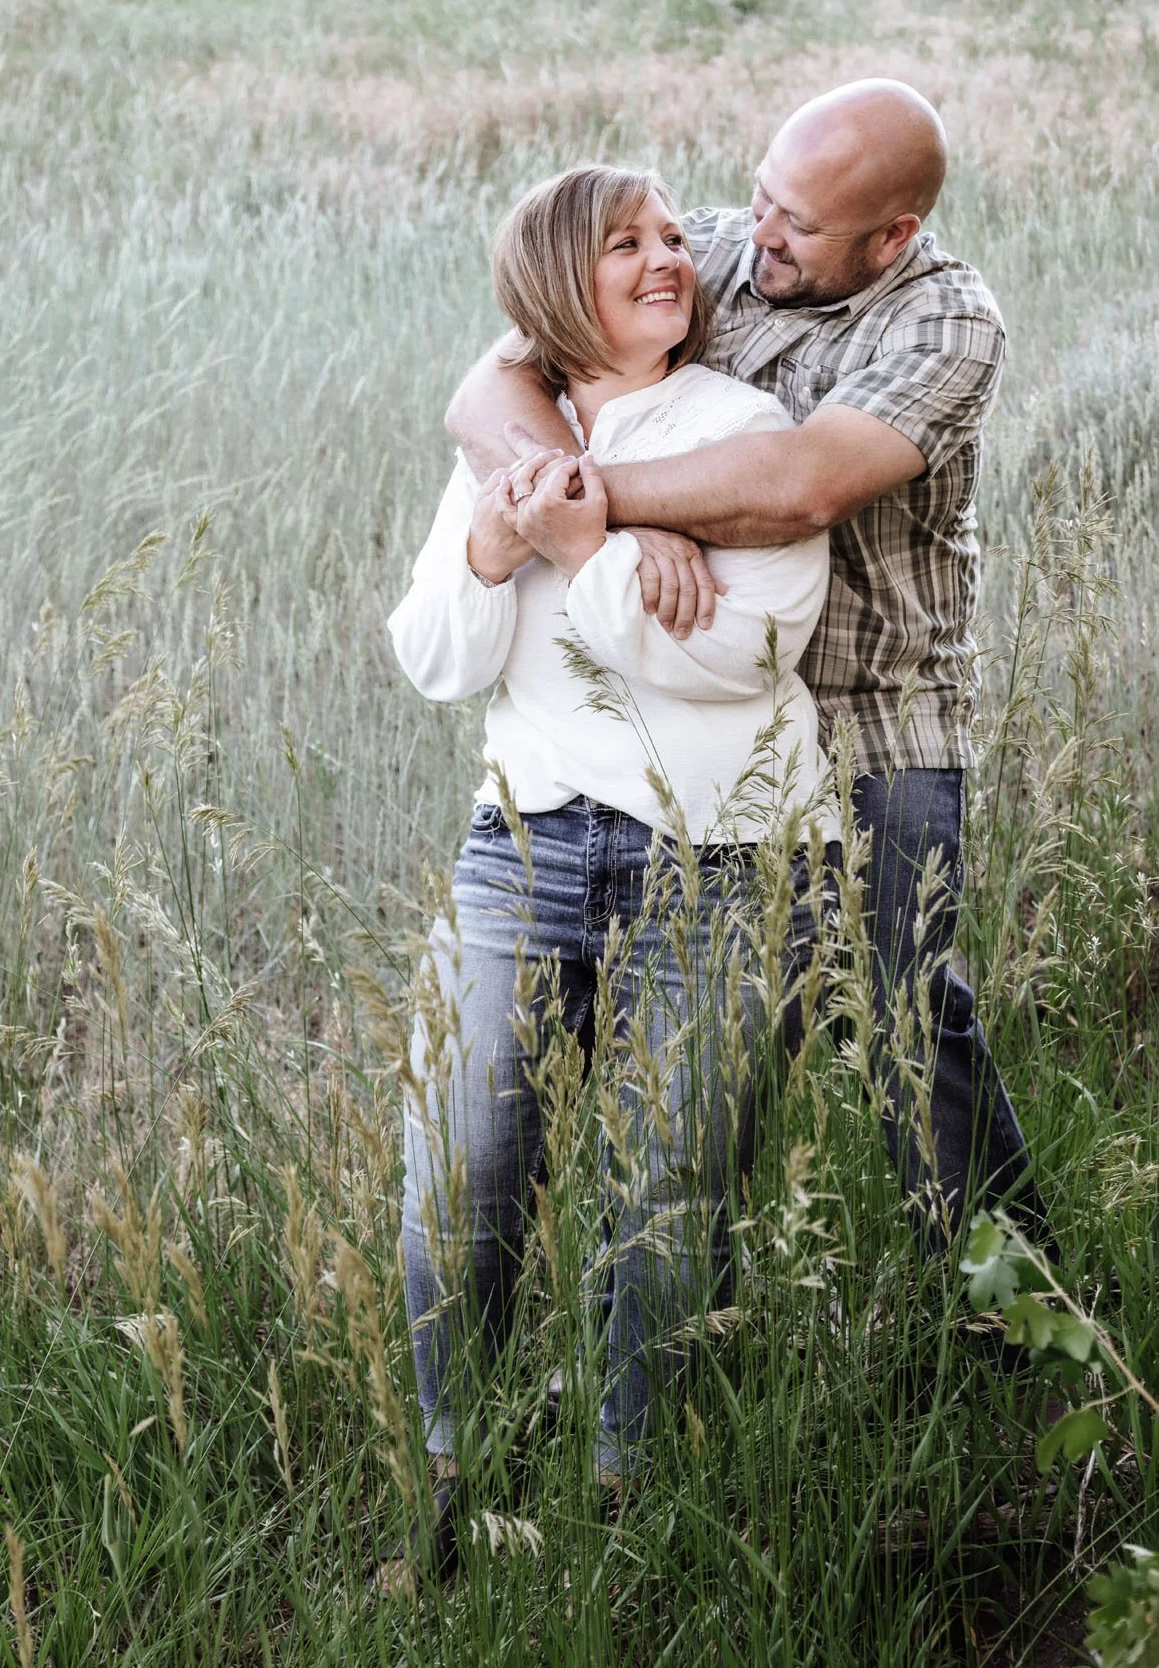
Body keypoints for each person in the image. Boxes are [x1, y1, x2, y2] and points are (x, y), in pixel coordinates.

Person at [445, 79, 1051, 1263]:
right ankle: (653, 1345)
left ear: (891, 238)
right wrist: (583, 503)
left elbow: (799, 485)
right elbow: (487, 385)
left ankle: (1014, 1337)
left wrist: (595, 510)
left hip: (870, 717)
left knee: (902, 1026)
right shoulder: (714, 247)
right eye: (761, 197)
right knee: (693, 1084)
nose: (755, 234)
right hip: (689, 703)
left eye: (797, 225)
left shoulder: (943, 322)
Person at [385, 163, 835, 1585]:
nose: (666, 261)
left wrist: (589, 552)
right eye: (620, 245)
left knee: (664, 1197)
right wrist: (492, 538)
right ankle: (455, 1485)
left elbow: (745, 659)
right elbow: (436, 659)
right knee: (457, 1173)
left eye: (667, 240)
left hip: (714, 858)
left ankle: (631, 1506)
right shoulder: (506, 438)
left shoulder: (735, 428)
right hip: (520, 846)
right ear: (546, 287)